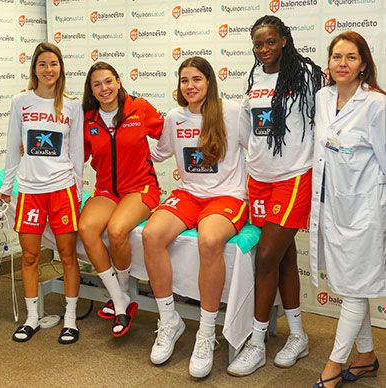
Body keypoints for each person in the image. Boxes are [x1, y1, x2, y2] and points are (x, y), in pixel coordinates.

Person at [227, 15, 324, 376]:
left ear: (284, 39)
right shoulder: (253, 78)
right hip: (260, 179)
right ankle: (297, 335)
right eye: (258, 44)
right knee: (281, 257)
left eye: (270, 41)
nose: (264, 49)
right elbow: (246, 131)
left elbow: (323, 121)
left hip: (294, 177)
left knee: (265, 256)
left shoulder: (308, 75)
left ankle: (256, 341)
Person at [142, 56, 248, 378]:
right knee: (151, 235)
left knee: (210, 238)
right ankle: (170, 320)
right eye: (184, 80)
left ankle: (205, 332)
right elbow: (156, 153)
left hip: (227, 195)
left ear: (209, 81)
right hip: (189, 194)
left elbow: (257, 149)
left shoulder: (231, 112)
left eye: (196, 80)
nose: (190, 86)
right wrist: (123, 131)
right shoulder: (174, 117)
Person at [309, 31, 385, 388]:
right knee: (353, 284)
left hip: (365, 212)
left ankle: (334, 365)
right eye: (337, 56)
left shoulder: (377, 106)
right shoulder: (323, 98)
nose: (342, 63)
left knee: (353, 289)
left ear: (363, 65)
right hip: (333, 208)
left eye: (350, 57)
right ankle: (367, 356)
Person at [0, 42, 84, 345]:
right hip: (30, 191)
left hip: (62, 190)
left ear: (61, 68)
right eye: (43, 64)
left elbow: (77, 153)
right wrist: (6, 189)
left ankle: (70, 319)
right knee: (31, 256)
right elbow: (12, 148)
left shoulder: (72, 105)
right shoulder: (20, 101)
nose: (49, 70)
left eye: (54, 64)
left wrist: (78, 192)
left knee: (67, 256)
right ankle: (32, 317)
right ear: (34, 68)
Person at [79, 62, 164, 337]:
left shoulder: (139, 109)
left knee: (116, 230)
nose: (104, 88)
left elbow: (169, 135)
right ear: (91, 90)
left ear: (118, 82)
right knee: (87, 229)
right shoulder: (88, 118)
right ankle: (120, 299)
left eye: (108, 81)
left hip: (140, 188)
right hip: (106, 190)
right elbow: (75, 155)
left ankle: (123, 294)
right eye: (97, 84)